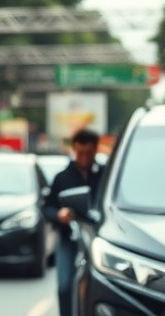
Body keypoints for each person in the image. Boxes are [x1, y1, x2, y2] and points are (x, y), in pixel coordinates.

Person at [42, 128, 103, 316]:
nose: (84, 157)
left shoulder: (104, 175)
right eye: (80, 152)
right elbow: (46, 208)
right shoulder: (62, 177)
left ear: (95, 150)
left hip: (98, 240)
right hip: (69, 238)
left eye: (89, 152)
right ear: (74, 150)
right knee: (65, 287)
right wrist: (59, 214)